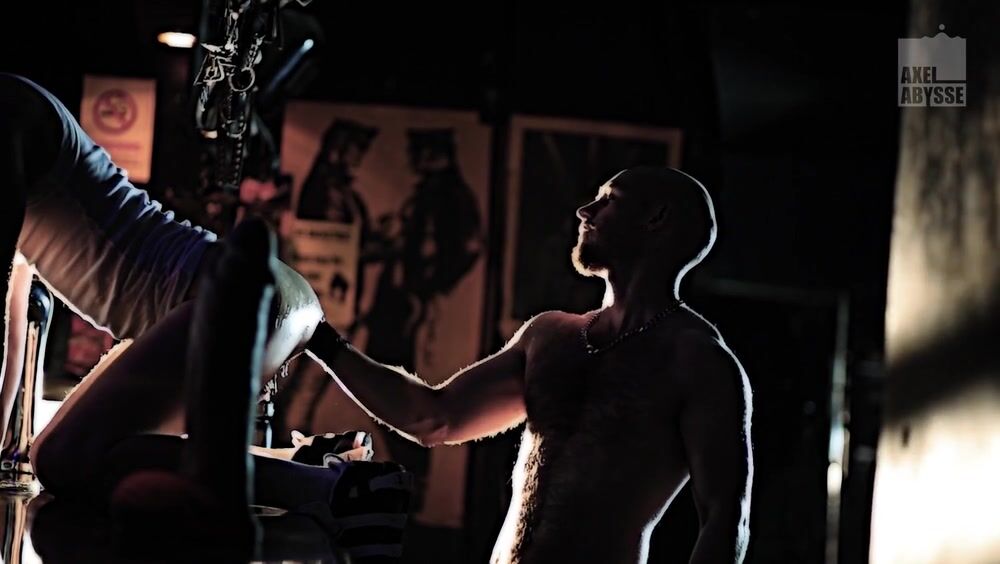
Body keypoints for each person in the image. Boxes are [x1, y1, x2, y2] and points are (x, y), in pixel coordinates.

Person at [0, 73, 411, 560]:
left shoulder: (8, 112)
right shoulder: (20, 109)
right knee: (65, 451)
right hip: (240, 291)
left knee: (64, 460)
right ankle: (302, 462)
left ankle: (340, 490)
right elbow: (12, 313)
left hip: (224, 293)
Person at [305, 166, 754, 563]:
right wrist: (318, 338)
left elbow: (725, 517)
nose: (585, 211)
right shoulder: (551, 335)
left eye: (609, 199)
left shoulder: (698, 361)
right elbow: (433, 418)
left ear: (655, 218)